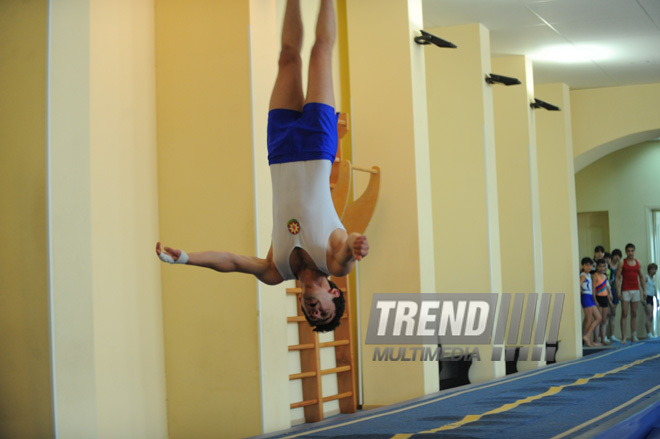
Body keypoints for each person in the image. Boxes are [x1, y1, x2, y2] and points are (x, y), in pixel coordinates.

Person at [156, 0, 369, 332]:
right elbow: (349, 247)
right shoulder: (335, 265)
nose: (314, 311)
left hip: (280, 150)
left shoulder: (275, 270)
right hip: (317, 146)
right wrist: (356, 243)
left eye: (310, 315)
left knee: (287, 57)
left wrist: (186, 258)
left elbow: (231, 261)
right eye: (324, 312)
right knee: (320, 53)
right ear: (332, 292)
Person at [615, 243, 645, 343]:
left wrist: (644, 290)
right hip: (625, 289)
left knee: (634, 313)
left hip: (635, 289)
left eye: (632, 251)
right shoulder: (622, 263)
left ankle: (634, 335)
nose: (630, 253)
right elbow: (617, 278)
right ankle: (624, 337)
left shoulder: (638, 263)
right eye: (628, 251)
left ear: (634, 251)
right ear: (626, 252)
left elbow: (641, 277)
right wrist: (618, 291)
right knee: (624, 313)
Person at [580, 257, 602, 347]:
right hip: (585, 296)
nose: (589, 267)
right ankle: (588, 340)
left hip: (589, 296)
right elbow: (579, 284)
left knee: (598, 317)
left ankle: (588, 336)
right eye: (587, 265)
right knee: (589, 319)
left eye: (590, 265)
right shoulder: (583, 275)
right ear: (583, 266)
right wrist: (581, 292)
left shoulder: (588, 275)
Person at [593, 259, 613, 345]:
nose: (602, 268)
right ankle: (596, 339)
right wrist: (595, 300)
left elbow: (606, 289)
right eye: (600, 266)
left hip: (604, 298)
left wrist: (609, 300)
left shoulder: (605, 276)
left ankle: (603, 338)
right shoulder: (594, 276)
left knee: (604, 320)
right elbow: (594, 289)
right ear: (597, 266)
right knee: (598, 319)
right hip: (598, 297)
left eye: (603, 266)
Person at [607, 248, 622, 342]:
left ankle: (612, 335)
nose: (617, 257)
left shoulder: (619, 267)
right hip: (607, 289)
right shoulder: (607, 265)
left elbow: (620, 278)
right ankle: (603, 336)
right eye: (616, 255)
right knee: (606, 313)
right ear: (613, 255)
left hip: (615, 290)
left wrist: (618, 289)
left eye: (619, 256)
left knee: (613, 313)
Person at [644, 263, 658, 338]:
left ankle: (650, 332)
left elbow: (654, 289)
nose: (653, 271)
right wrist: (643, 297)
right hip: (647, 297)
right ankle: (648, 333)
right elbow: (642, 286)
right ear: (649, 270)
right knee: (648, 315)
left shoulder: (654, 279)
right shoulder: (646, 277)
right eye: (652, 269)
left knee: (651, 316)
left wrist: (657, 299)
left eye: (655, 269)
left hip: (652, 297)